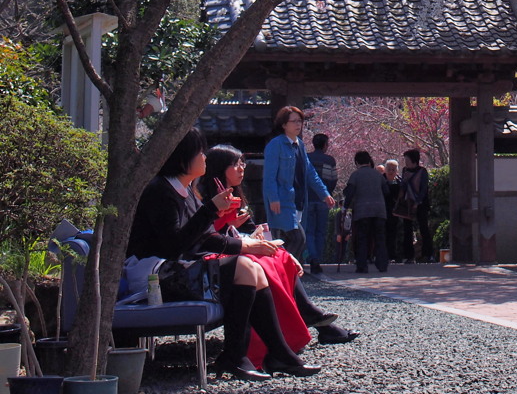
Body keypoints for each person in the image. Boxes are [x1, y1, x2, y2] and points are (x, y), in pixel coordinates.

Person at [126, 129, 320, 380]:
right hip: (154, 277)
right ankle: (247, 356)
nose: (205, 157)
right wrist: (211, 211)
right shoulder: (159, 191)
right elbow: (173, 246)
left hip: (176, 269)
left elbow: (207, 237)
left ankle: (268, 354)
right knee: (245, 268)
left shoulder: (184, 191)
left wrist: (247, 246)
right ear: (182, 157)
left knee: (253, 269)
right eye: (199, 152)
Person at [199, 144, 358, 353]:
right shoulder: (206, 197)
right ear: (219, 167)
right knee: (271, 259)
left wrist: (251, 234)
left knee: (280, 256)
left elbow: (246, 229)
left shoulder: (233, 195)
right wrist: (233, 229)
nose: (241, 169)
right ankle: (310, 320)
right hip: (217, 255)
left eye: (242, 164)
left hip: (234, 248)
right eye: (235, 165)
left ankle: (312, 321)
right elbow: (208, 236)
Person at [263, 106, 336, 258]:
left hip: (299, 200)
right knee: (298, 239)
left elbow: (310, 172)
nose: (298, 124)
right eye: (293, 121)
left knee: (289, 242)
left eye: (300, 121)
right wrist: (273, 197)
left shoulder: (300, 145)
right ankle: (283, 273)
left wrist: (324, 194)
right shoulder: (276, 145)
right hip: (283, 201)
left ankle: (288, 275)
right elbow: (269, 175)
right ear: (284, 124)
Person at [343, 151, 390, 273]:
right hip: (379, 210)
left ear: (357, 162)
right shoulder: (378, 174)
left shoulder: (355, 175)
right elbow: (386, 191)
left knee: (362, 238)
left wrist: (346, 206)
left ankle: (362, 265)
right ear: (369, 161)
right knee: (380, 237)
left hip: (362, 211)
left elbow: (350, 192)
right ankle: (382, 264)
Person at [305, 133, 338, 274]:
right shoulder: (330, 160)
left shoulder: (306, 158)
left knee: (309, 231)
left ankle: (313, 257)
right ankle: (317, 258)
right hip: (323, 200)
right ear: (325, 145)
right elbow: (333, 180)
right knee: (321, 232)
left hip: (308, 199)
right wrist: (327, 194)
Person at [401, 148, 433, 264]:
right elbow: (403, 188)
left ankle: (428, 254)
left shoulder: (422, 171)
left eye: (407, 159)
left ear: (413, 160)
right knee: (407, 230)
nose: (405, 162)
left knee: (423, 228)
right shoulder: (405, 170)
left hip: (421, 204)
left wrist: (418, 202)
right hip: (407, 203)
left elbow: (424, 189)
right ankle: (409, 256)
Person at [382, 159, 402, 262]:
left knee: (393, 234)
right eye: (389, 169)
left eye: (393, 169)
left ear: (397, 170)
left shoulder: (399, 181)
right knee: (382, 233)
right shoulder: (381, 180)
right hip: (382, 210)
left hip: (395, 211)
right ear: (385, 169)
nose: (391, 171)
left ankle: (392, 255)